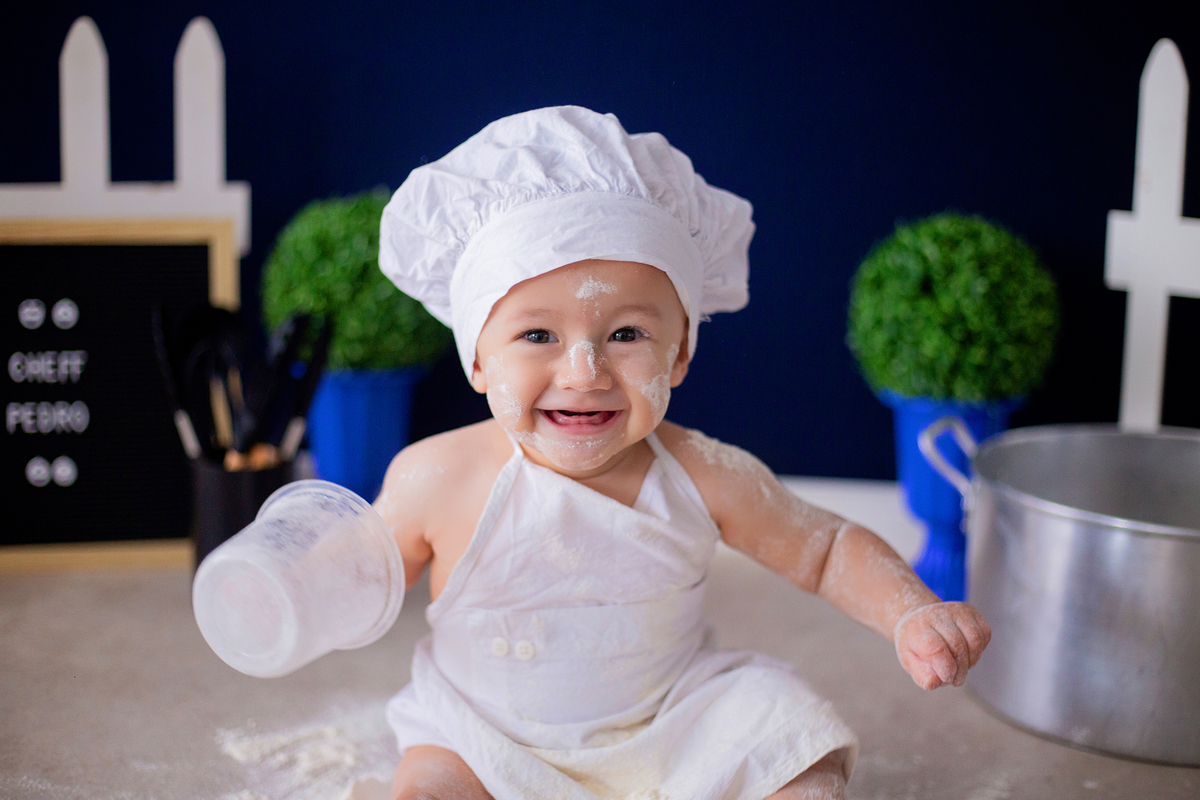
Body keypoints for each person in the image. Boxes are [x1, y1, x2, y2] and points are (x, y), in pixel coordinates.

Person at [372, 106, 990, 800]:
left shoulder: (705, 474)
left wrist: (910, 611)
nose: (584, 372)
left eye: (627, 334)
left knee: (791, 744)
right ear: (478, 361)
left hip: (673, 719)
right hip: (482, 733)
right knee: (430, 785)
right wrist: (308, 577)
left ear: (682, 353)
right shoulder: (437, 476)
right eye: (538, 336)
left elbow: (826, 547)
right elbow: (360, 578)